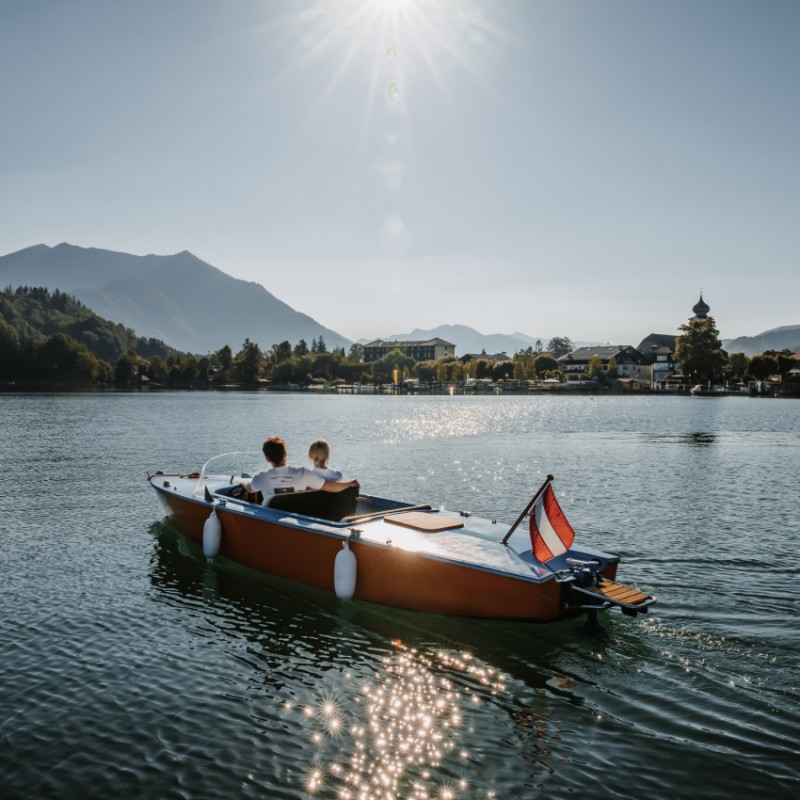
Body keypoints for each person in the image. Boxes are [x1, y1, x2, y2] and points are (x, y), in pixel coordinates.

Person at [246, 436, 357, 505]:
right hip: (294, 519)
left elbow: (250, 489)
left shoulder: (260, 478)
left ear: (267, 458)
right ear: (285, 454)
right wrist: (352, 482)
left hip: (270, 521)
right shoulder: (303, 474)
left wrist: (243, 484)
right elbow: (332, 486)